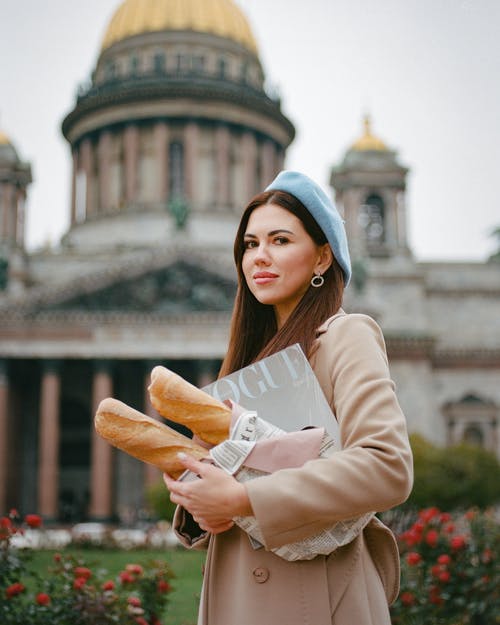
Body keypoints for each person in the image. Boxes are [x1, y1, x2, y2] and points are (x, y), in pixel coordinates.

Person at [163, 171, 413, 625]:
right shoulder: (246, 362)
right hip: (238, 597)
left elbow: (387, 465)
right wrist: (199, 500)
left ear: (322, 257)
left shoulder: (345, 336)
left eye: (280, 240)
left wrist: (244, 500)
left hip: (320, 597)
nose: (260, 257)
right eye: (250, 244)